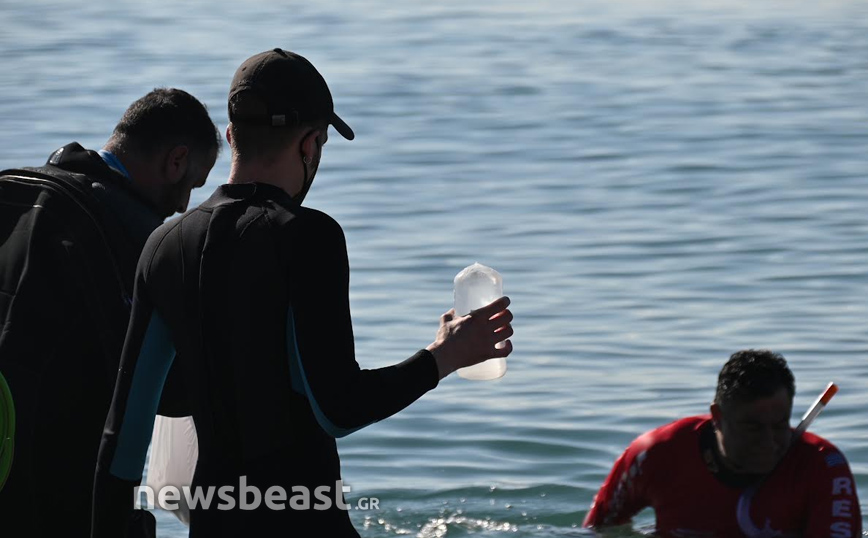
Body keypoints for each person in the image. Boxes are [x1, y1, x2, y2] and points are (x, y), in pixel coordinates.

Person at [91, 48, 514, 538]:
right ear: (311, 145)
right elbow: (339, 407)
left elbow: (123, 440)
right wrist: (444, 356)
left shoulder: (163, 246)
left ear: (231, 138)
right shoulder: (308, 237)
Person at [0, 88, 220, 537]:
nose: (182, 208)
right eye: (192, 186)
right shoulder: (131, 234)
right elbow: (167, 388)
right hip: (51, 487)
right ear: (176, 160)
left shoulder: (18, 188)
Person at [583, 349, 862, 537]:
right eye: (752, 428)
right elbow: (598, 529)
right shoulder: (656, 454)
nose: (768, 443)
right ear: (717, 417)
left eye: (779, 426)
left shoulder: (823, 467)